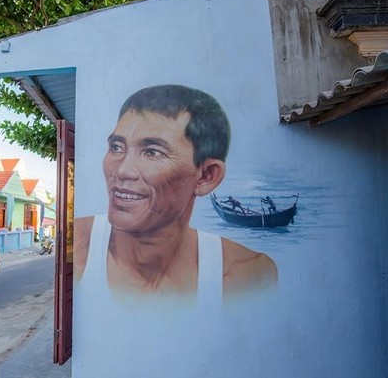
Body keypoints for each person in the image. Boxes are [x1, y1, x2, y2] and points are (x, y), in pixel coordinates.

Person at [75, 84, 277, 298]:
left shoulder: (244, 275)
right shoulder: (77, 250)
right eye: (117, 147)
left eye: (152, 152)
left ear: (206, 176)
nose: (122, 170)